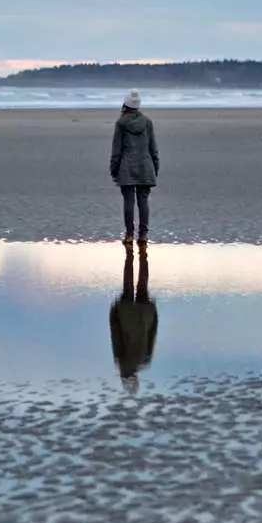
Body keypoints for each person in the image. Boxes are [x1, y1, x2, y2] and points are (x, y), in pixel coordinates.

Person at [109, 90, 159, 245]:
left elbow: (116, 149)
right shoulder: (147, 122)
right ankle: (143, 235)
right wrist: (155, 168)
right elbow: (153, 148)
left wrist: (113, 168)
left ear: (125, 104)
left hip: (126, 167)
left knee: (128, 202)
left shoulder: (121, 123)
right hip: (146, 166)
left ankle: (129, 234)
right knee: (143, 201)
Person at [108, 245, 157, 393]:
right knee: (128, 284)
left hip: (143, 315)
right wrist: (114, 313)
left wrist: (154, 314)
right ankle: (132, 255)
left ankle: (140, 255)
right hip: (128, 315)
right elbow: (116, 334)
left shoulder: (144, 361)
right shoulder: (123, 361)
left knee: (142, 283)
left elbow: (152, 333)